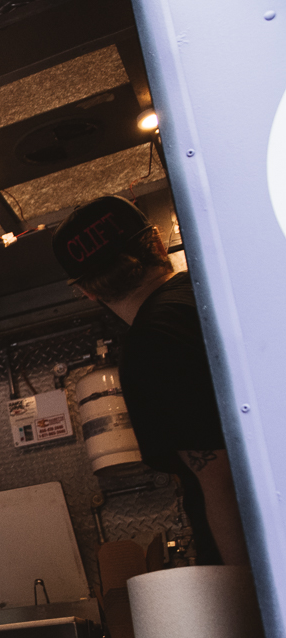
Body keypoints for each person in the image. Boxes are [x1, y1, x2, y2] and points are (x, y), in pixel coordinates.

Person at [53, 196, 248, 566]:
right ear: (157, 243)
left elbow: (221, 483)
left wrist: (254, 603)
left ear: (86, 291)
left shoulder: (153, 343)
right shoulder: (219, 291)